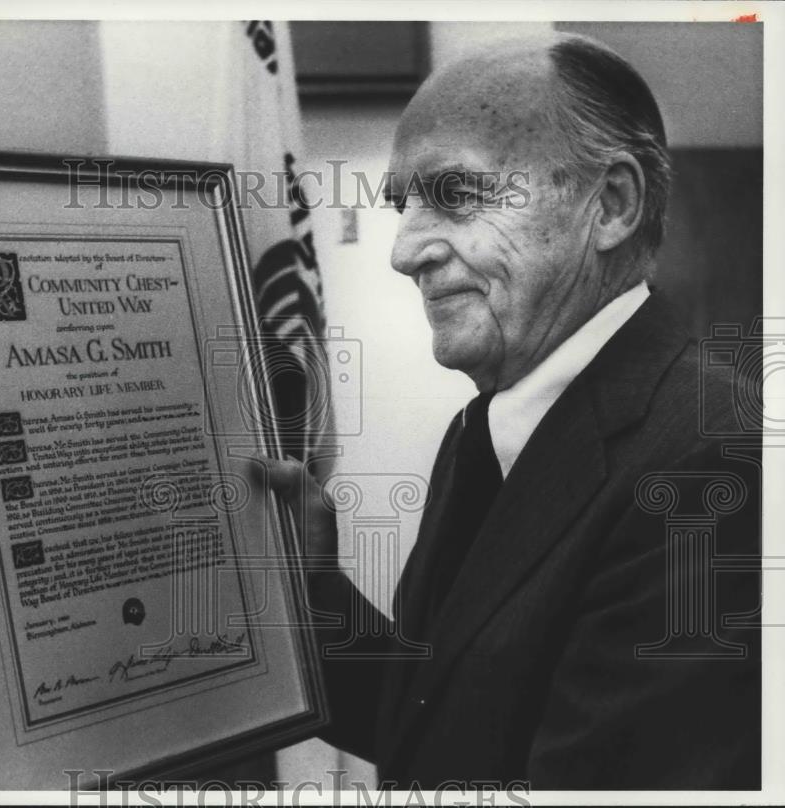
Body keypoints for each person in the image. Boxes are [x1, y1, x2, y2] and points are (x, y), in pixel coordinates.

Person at [261, 32, 760, 790]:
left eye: (455, 194)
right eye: (404, 204)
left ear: (612, 204)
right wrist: (309, 586)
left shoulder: (711, 458)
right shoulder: (483, 427)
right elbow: (436, 716)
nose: (405, 251)